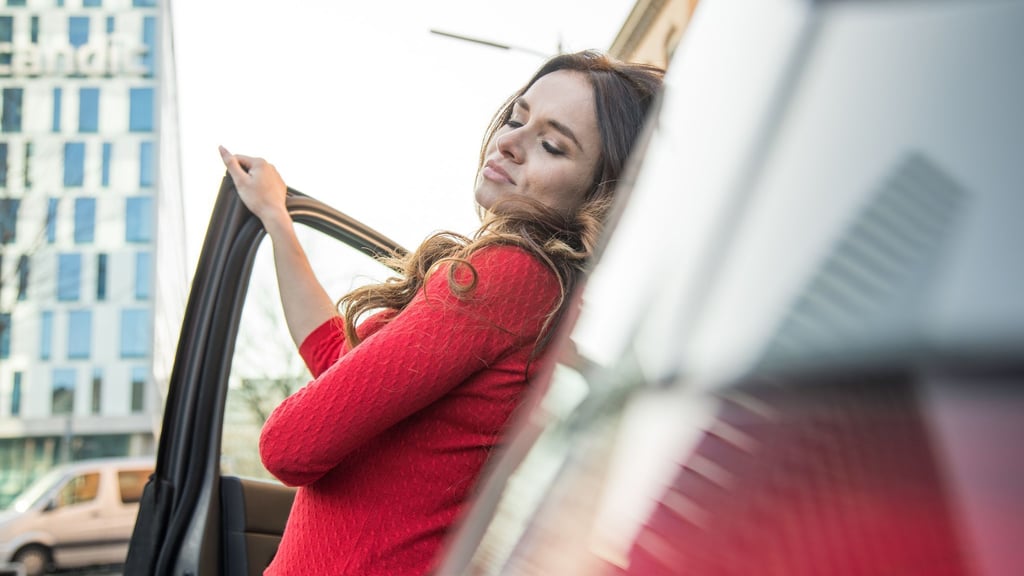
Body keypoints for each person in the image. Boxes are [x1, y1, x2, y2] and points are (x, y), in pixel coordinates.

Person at [219, 50, 663, 576]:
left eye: (551, 144)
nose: (509, 142)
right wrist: (278, 220)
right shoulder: (549, 295)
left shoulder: (512, 274)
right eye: (517, 118)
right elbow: (338, 357)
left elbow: (289, 445)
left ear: (600, 192)